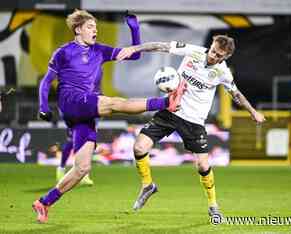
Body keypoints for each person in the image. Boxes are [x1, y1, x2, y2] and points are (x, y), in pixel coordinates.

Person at [32, 9, 186, 223]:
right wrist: (43, 107)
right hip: (72, 100)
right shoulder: (63, 52)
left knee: (82, 168)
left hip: (85, 113)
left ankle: (44, 202)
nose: (95, 30)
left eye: (96, 26)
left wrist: (134, 29)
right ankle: (165, 103)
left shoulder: (100, 51)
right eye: (90, 27)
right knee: (113, 103)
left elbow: (134, 54)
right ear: (78, 30)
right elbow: (47, 81)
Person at [117, 35, 266, 218]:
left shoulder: (223, 73)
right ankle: (148, 186)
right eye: (213, 51)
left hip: (194, 121)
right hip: (171, 110)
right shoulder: (193, 51)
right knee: (139, 146)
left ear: (226, 57)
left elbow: (236, 94)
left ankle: (213, 205)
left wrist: (253, 112)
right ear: (210, 46)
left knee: (203, 166)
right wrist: (135, 49)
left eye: (219, 56)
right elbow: (161, 46)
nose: (214, 57)